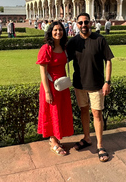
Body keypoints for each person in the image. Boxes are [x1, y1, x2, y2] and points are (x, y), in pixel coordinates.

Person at [67, 12, 114, 163]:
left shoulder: (99, 39)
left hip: (96, 84)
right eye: (80, 23)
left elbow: (108, 61)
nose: (83, 25)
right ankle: (87, 138)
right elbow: (62, 59)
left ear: (91, 23)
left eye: (86, 22)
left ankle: (100, 145)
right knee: (84, 110)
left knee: (97, 113)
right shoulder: (73, 42)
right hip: (80, 84)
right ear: (76, 24)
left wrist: (107, 82)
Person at [36, 21, 74, 156]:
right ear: (50, 32)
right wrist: (47, 91)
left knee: (60, 111)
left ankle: (56, 138)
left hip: (62, 85)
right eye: (55, 30)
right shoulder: (46, 48)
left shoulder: (63, 47)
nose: (58, 32)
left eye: (60, 30)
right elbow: (43, 72)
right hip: (50, 85)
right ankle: (53, 141)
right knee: (52, 112)